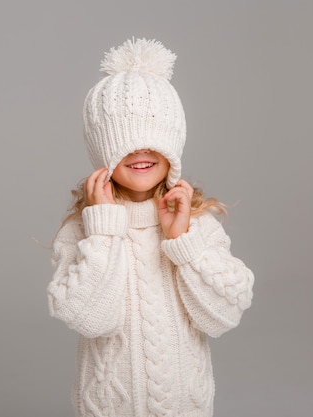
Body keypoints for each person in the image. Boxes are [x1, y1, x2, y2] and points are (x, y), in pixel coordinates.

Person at [48, 37, 254, 417]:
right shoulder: (84, 230)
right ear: (102, 150)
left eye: (153, 139)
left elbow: (224, 315)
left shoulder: (195, 224)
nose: (140, 151)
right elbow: (90, 317)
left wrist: (182, 242)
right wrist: (106, 229)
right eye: (124, 141)